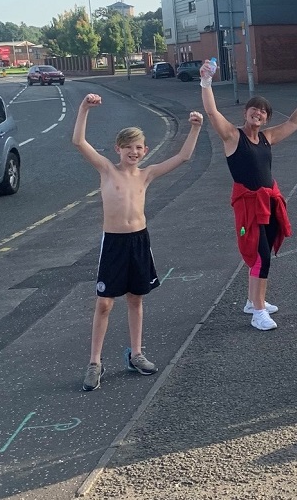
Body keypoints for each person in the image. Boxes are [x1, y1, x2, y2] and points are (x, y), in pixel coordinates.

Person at [72, 93, 203, 391]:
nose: (134, 151)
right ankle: (94, 362)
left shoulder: (146, 175)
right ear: (118, 149)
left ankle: (136, 354)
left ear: (145, 150)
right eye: (128, 147)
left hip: (139, 241)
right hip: (114, 244)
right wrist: (84, 109)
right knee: (104, 304)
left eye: (138, 147)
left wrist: (195, 128)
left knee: (136, 299)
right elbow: (79, 142)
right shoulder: (107, 170)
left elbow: (183, 157)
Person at [200, 63, 297, 331]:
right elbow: (212, 111)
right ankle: (258, 311)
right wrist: (206, 83)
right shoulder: (232, 136)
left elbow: (295, 122)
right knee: (260, 254)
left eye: (263, 111)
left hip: (269, 202)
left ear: (266, 118)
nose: (258, 112)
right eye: (255, 108)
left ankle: (253, 300)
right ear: (245, 112)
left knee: (266, 250)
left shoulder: (266, 137)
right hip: (249, 205)